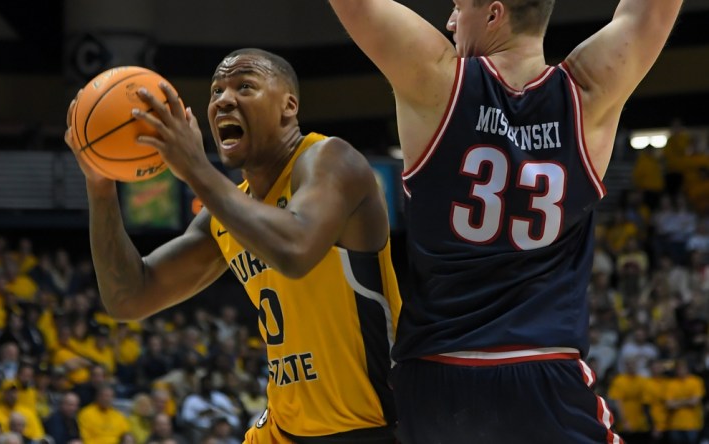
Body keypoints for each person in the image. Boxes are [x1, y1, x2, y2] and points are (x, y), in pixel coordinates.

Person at [327, 0, 682, 442]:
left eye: (459, 8)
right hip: (543, 373)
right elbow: (650, 13)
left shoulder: (436, 79)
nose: (450, 22)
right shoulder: (588, 91)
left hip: (438, 378)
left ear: (494, 14)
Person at [63, 48, 401, 443]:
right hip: (284, 427)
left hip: (369, 424)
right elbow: (128, 297)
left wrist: (195, 168)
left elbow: (296, 250)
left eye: (245, 86)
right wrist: (101, 184)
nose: (224, 99)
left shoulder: (330, 158)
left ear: (288, 106)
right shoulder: (225, 213)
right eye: (216, 91)